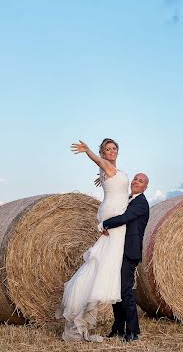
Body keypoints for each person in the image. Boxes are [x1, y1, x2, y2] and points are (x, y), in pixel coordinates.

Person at [55, 138, 129, 342]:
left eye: (114, 148)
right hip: (114, 215)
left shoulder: (110, 170)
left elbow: (109, 176)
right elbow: (99, 163)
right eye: (107, 149)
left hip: (111, 211)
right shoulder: (104, 165)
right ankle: (94, 297)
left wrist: (104, 176)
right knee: (108, 261)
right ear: (103, 153)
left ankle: (95, 300)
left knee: (105, 258)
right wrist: (88, 151)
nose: (111, 151)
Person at [101, 172, 150, 342]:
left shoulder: (141, 203)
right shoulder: (127, 199)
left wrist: (105, 224)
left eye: (141, 181)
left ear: (146, 187)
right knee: (116, 290)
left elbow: (125, 218)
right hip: (117, 249)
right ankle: (118, 327)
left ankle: (133, 331)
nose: (137, 182)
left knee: (125, 291)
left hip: (129, 252)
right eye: (135, 179)